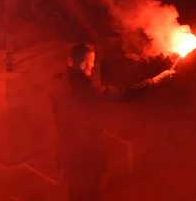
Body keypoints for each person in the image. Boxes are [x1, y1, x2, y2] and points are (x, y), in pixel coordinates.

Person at [51, 42, 174, 201]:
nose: (94, 65)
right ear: (82, 65)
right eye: (91, 61)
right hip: (87, 159)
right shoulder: (90, 91)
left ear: (69, 61)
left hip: (68, 156)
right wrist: (156, 80)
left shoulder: (57, 83)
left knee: (74, 195)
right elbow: (126, 94)